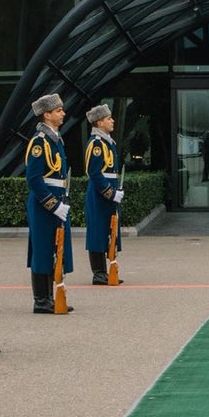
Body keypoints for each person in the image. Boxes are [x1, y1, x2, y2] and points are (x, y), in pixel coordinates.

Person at [25, 93, 73, 314]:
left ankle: (50, 297)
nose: (63, 113)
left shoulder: (55, 140)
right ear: (46, 114)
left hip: (57, 201)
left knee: (55, 248)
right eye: (58, 110)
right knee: (43, 249)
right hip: (43, 205)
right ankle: (41, 300)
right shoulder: (39, 142)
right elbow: (34, 178)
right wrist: (52, 204)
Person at [85, 103, 124, 284]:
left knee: (109, 230)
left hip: (109, 194)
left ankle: (106, 270)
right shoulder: (96, 144)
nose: (112, 121)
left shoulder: (107, 142)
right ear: (100, 122)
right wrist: (110, 193)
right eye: (109, 118)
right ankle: (98, 273)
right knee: (97, 232)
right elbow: (94, 173)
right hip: (99, 195)